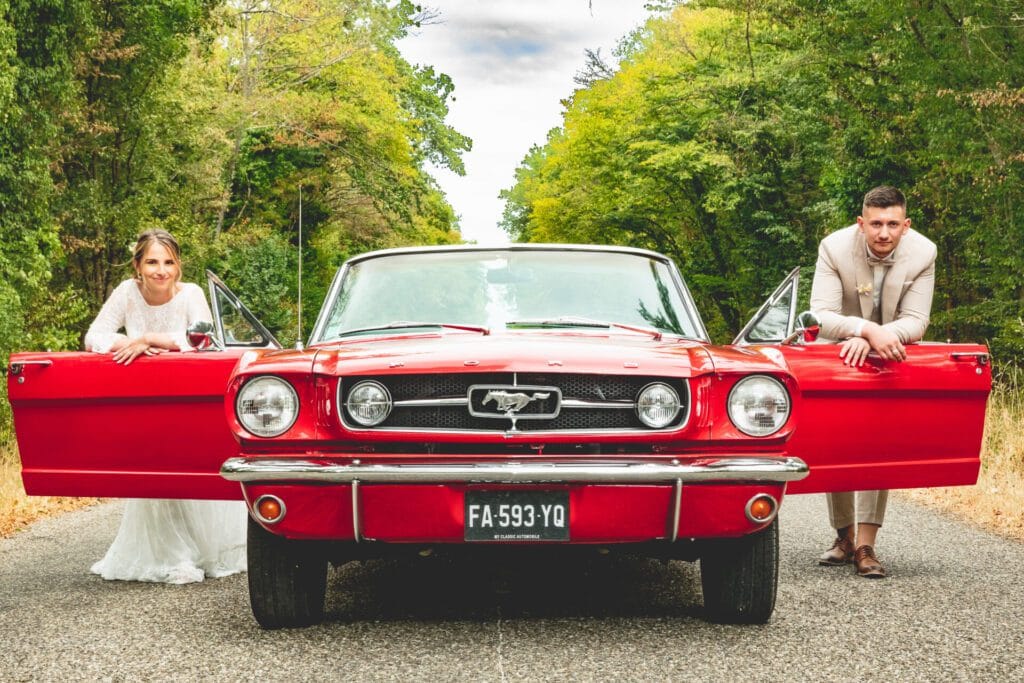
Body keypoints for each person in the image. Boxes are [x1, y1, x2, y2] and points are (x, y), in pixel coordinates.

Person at [84, 229, 247, 584]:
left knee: (189, 463)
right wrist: (129, 343)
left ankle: (203, 549)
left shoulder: (191, 294)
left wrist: (149, 338)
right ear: (137, 266)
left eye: (169, 262)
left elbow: (205, 339)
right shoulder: (127, 292)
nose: (161, 271)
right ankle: (170, 554)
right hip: (145, 394)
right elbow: (93, 336)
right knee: (155, 466)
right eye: (152, 262)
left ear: (178, 265)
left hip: (187, 391)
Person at [809, 185, 936, 579]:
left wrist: (880, 337)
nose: (884, 233)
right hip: (841, 350)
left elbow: (917, 320)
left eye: (892, 225)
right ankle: (844, 536)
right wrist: (864, 330)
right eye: (876, 224)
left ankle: (866, 545)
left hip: (892, 351)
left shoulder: (924, 252)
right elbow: (821, 315)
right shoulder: (833, 248)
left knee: (877, 440)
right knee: (838, 440)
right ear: (860, 223)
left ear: (906, 225)